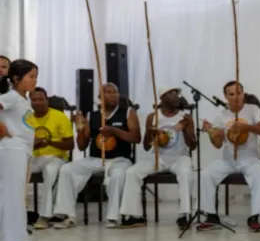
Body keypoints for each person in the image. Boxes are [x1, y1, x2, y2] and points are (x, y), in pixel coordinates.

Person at [53, 83, 141, 229]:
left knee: (119, 174)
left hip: (120, 159)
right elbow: (82, 146)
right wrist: (80, 128)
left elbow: (136, 138)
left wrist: (114, 130)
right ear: (100, 97)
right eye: (108, 92)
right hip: (95, 159)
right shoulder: (91, 115)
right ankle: (67, 214)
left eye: (115, 92)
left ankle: (114, 217)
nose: (113, 95)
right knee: (67, 169)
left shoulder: (128, 112)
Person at [118, 87, 196, 229]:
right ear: (163, 98)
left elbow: (193, 145)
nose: (177, 96)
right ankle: (134, 215)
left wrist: (185, 129)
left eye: (178, 94)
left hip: (179, 157)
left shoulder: (185, 117)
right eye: (172, 94)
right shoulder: (152, 117)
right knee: (132, 172)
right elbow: (147, 147)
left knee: (186, 172)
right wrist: (150, 132)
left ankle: (185, 214)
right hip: (158, 158)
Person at [197, 81, 260, 233]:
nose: (236, 97)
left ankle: (255, 216)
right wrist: (211, 132)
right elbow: (217, 144)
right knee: (206, 174)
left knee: (259, 173)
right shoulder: (222, 115)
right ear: (225, 96)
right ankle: (211, 216)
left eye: (239, 93)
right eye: (231, 94)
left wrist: (246, 127)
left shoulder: (253, 109)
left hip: (249, 159)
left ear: (243, 94)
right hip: (228, 160)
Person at [0, 60, 47, 241]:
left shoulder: (22, 99)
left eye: (36, 76)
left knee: (7, 195)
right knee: (15, 196)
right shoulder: (11, 96)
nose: (35, 81)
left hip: (20, 150)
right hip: (12, 150)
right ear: (16, 78)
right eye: (31, 76)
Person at [29, 87, 74, 229]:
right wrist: (33, 144)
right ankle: (15, 213)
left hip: (57, 157)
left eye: (41, 99)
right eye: (34, 100)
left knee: (50, 171)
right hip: (35, 158)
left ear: (47, 100)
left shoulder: (59, 116)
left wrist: (48, 142)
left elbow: (70, 144)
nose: (37, 102)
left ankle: (44, 216)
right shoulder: (27, 118)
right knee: (13, 169)